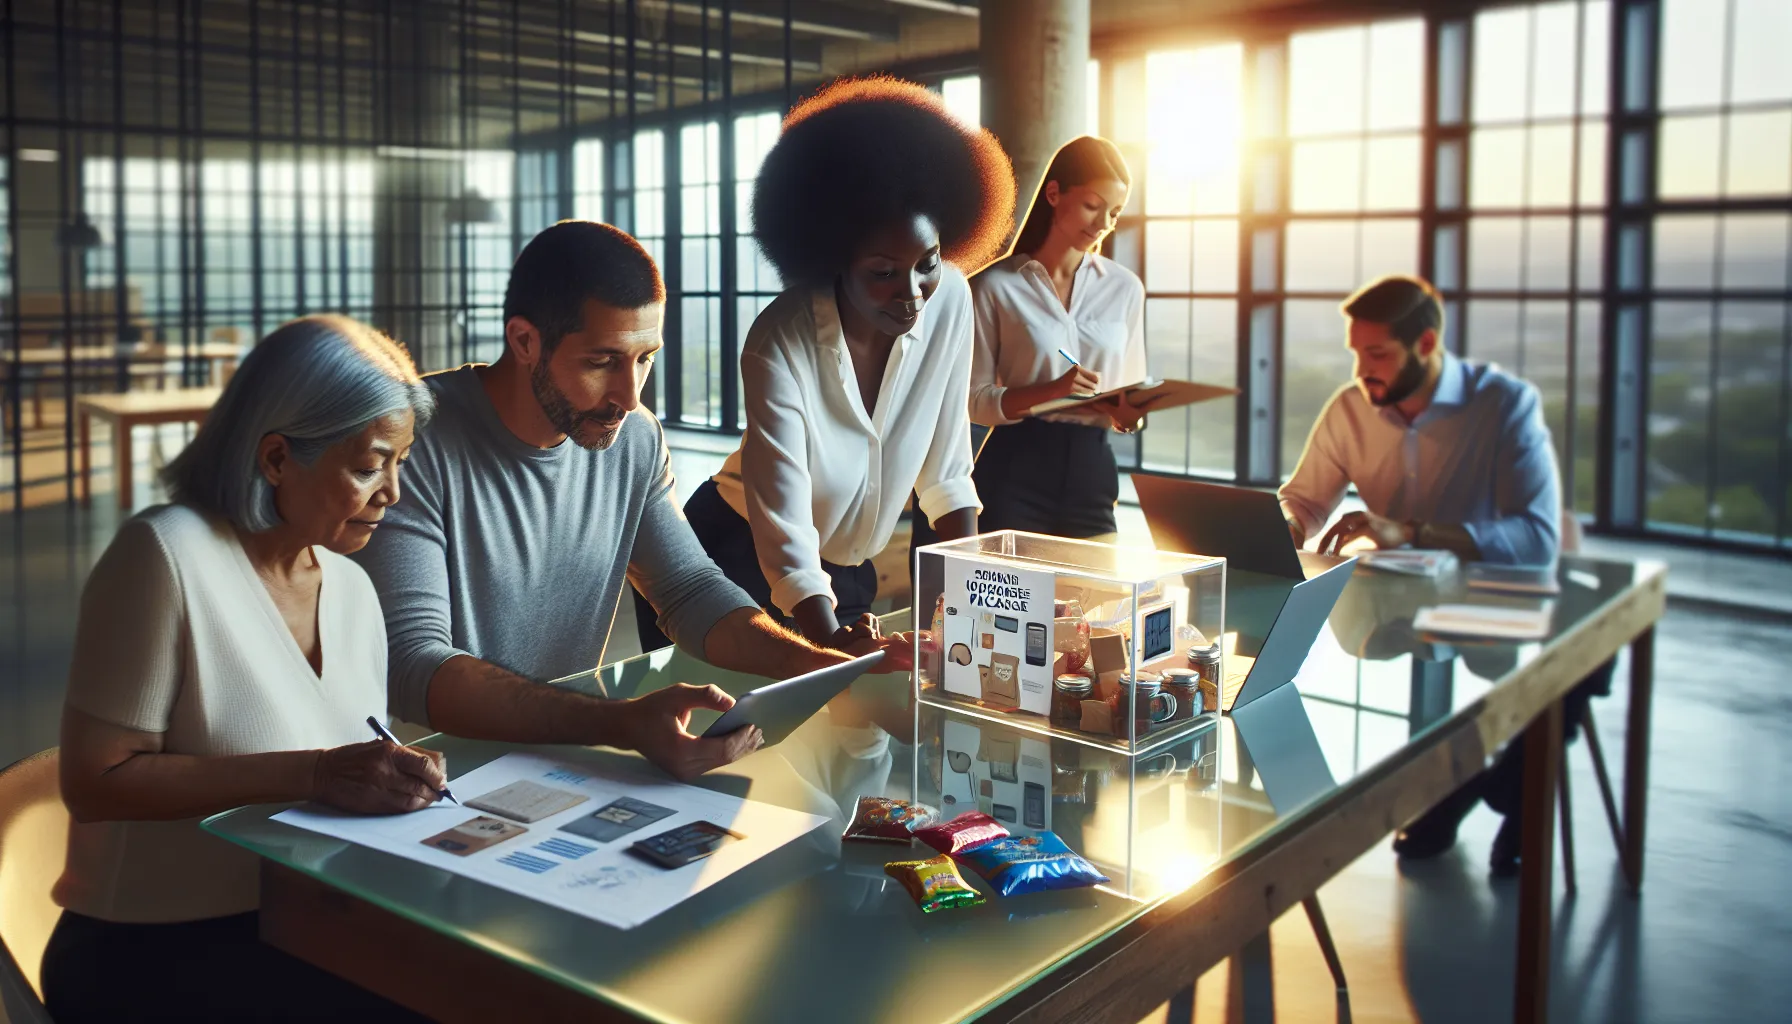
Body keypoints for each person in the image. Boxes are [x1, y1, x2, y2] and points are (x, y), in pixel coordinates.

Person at [354, 220, 906, 783]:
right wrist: (619, 724)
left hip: (564, 764)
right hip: (426, 780)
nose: (630, 395)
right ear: (524, 342)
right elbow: (414, 663)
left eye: (645, 358)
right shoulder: (410, 440)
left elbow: (688, 589)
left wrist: (827, 667)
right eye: (602, 362)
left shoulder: (634, 436)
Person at [43, 316, 441, 1022]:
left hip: (305, 924)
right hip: (149, 953)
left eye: (400, 463)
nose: (393, 493)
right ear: (277, 458)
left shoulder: (352, 589)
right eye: (369, 466)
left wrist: (386, 782)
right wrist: (317, 773)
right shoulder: (164, 555)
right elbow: (94, 781)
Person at [632, 76, 1013, 653]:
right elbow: (785, 535)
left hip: (846, 570)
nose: (912, 293)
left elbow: (947, 474)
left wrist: (968, 608)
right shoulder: (779, 342)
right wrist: (832, 649)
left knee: (858, 706)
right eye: (883, 272)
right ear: (835, 258)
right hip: (735, 557)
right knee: (755, 713)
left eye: (928, 263)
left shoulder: (951, 299)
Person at [1279, 274, 1607, 874]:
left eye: (1377, 354)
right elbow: (1303, 499)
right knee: (1586, 664)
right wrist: (1289, 526)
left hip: (1498, 599)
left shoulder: (1504, 404)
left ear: (1426, 344)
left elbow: (1537, 538)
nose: (1361, 370)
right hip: (1392, 610)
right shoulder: (1351, 408)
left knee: (1584, 653)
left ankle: (1472, 788)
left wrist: (1414, 531)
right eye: (1356, 352)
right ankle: (1493, 782)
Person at [960, 135, 1148, 540]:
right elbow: (974, 402)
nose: (1103, 224)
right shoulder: (994, 287)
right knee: (1013, 584)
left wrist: (1131, 415)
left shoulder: (1125, 289)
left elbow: (1131, 389)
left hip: (1094, 475)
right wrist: (1053, 390)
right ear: (1054, 193)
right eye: (1092, 205)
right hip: (1013, 473)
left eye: (1114, 213)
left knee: (1101, 583)